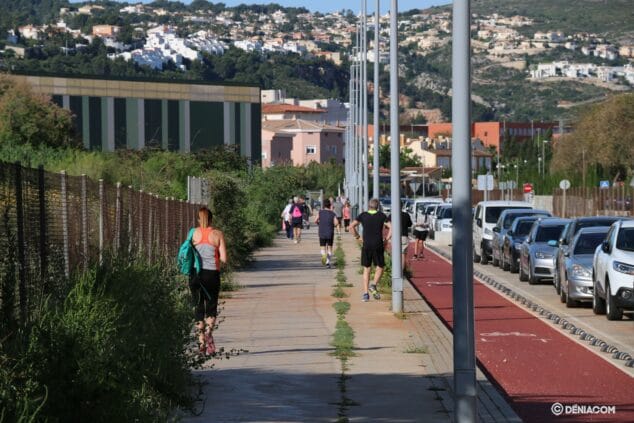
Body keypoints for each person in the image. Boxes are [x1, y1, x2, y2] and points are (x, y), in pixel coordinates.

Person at [190, 206, 227, 355]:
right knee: (211, 307)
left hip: (195, 274)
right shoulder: (218, 234)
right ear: (211, 219)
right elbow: (224, 259)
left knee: (198, 307)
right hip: (212, 275)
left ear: (199, 219)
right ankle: (209, 335)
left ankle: (201, 343)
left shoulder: (193, 234)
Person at [350, 198, 392, 302]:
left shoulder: (363, 215)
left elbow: (351, 226)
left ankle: (365, 294)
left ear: (369, 206)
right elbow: (391, 227)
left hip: (366, 244)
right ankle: (373, 285)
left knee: (366, 268)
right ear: (378, 207)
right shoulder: (382, 216)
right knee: (380, 266)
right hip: (378, 244)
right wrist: (386, 239)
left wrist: (357, 237)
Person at [315, 198, 338, 268]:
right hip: (330, 232)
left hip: (322, 231)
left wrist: (319, 223)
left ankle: (323, 255)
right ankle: (328, 263)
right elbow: (336, 223)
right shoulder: (333, 213)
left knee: (322, 247)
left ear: (323, 205)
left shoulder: (320, 212)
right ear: (330, 205)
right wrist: (333, 225)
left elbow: (316, 220)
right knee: (330, 248)